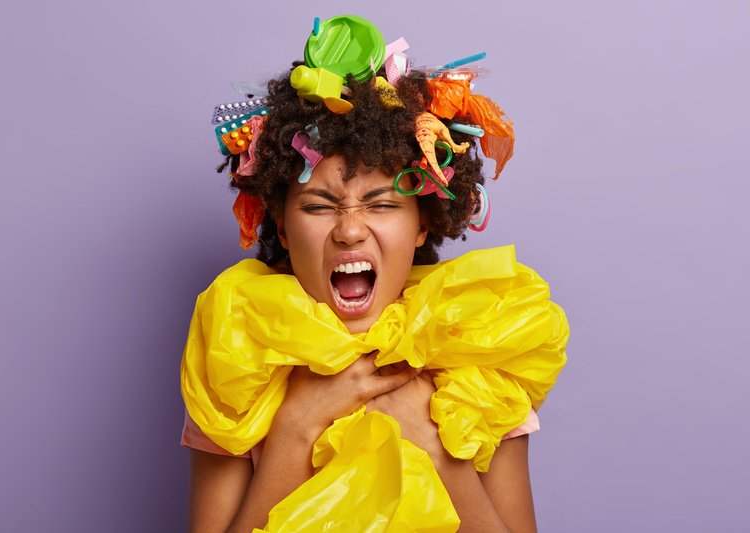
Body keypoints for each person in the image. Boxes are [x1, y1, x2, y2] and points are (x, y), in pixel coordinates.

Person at [181, 15, 568, 532]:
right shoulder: (238, 353)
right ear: (282, 224)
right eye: (319, 207)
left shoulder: (477, 346)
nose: (349, 231)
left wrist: (435, 447)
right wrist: (295, 429)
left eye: (381, 204)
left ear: (422, 224)